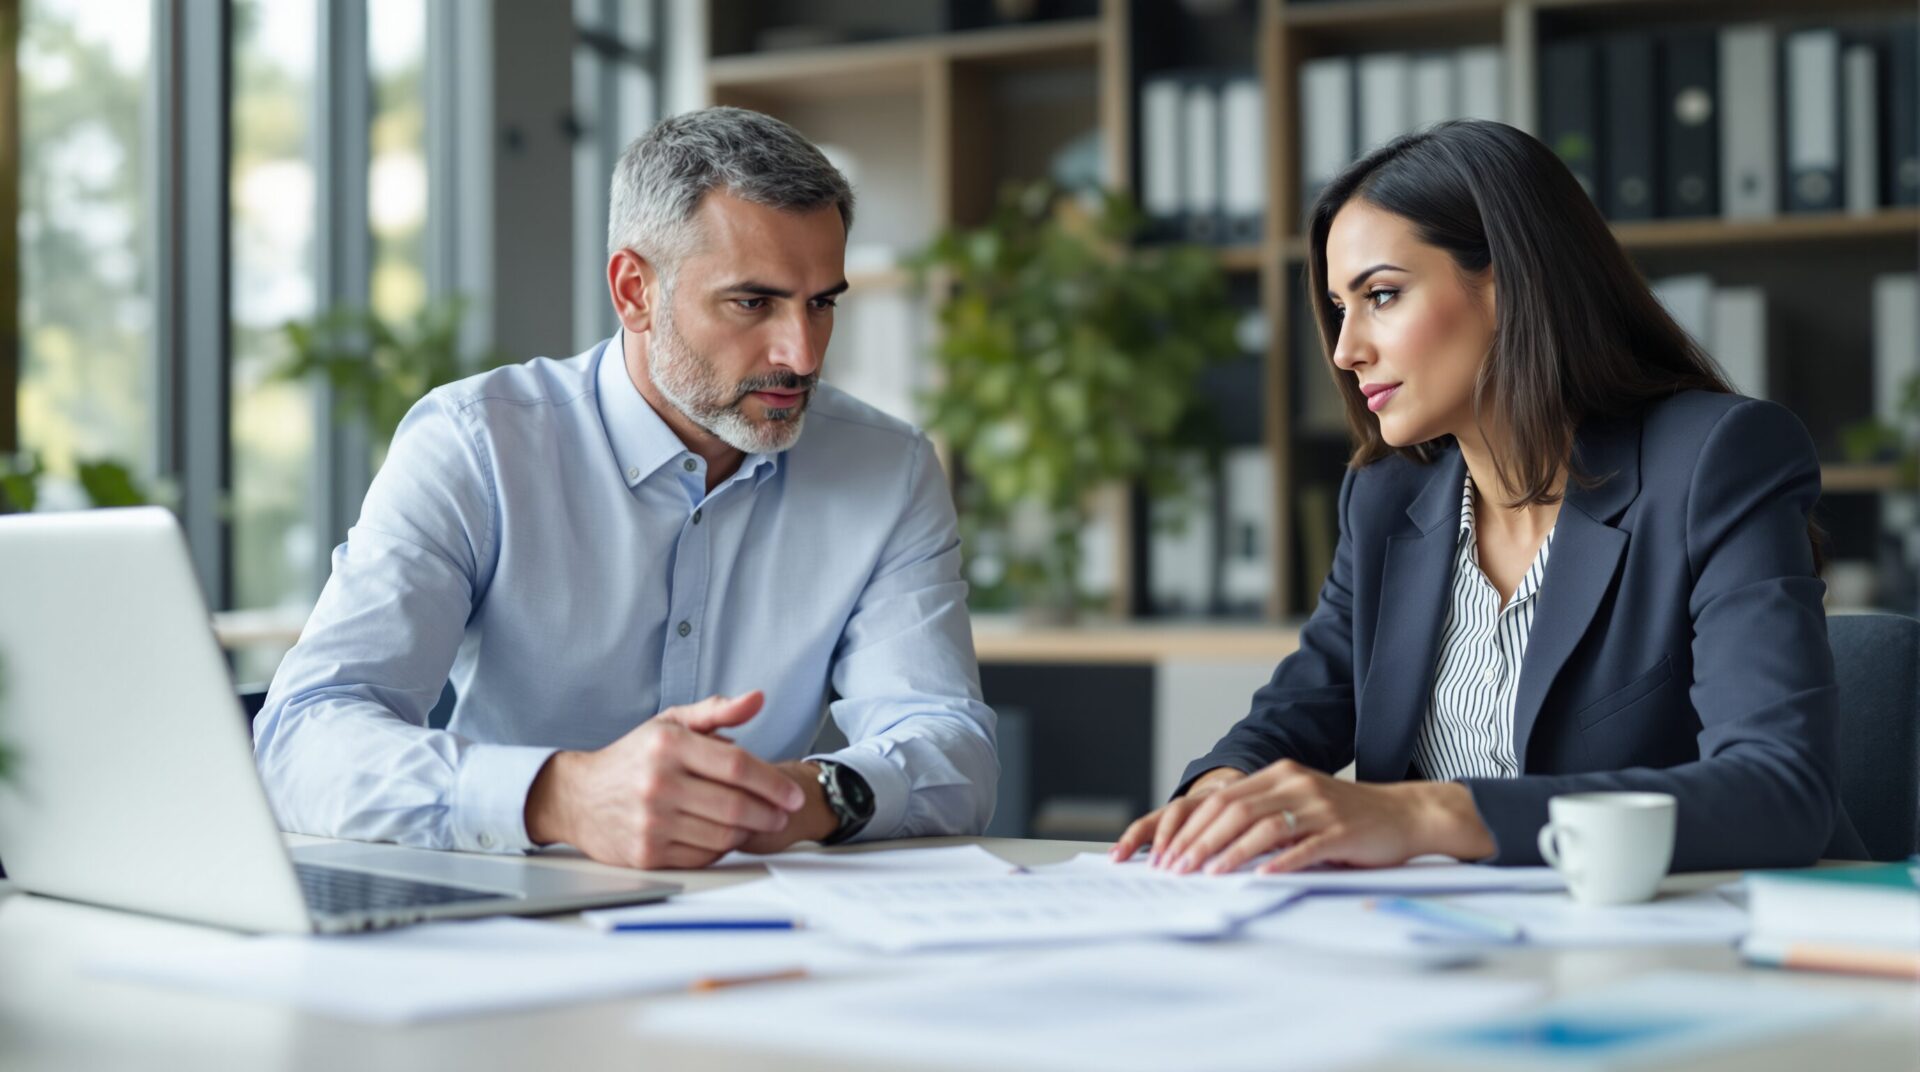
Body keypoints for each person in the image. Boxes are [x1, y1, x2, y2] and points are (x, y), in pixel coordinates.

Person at [1113, 119, 1866, 876]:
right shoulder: (1385, 497)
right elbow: (1306, 701)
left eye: (1381, 295)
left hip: (1691, 941)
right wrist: (1224, 788)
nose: (1346, 351)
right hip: (1454, 946)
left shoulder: (1714, 462)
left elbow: (1779, 791)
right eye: (1341, 309)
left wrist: (1431, 813)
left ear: (1508, 283)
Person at [254, 107, 997, 869]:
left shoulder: (889, 468)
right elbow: (303, 738)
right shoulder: (476, 446)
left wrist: (801, 800)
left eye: (822, 303)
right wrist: (561, 797)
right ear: (634, 290)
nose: (801, 354)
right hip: (511, 914)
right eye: (754, 302)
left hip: (759, 922)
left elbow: (952, 744)